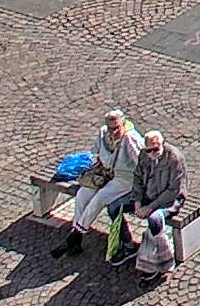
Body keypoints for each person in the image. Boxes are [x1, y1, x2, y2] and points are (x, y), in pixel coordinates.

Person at [52, 109, 143, 259]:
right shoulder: (103, 133)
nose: (113, 132)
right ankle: (76, 238)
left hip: (124, 178)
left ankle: (75, 236)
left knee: (99, 199)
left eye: (116, 128)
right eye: (110, 128)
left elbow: (141, 165)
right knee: (82, 195)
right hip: (104, 173)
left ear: (123, 123)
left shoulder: (131, 139)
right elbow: (96, 153)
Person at [118, 130, 185, 271]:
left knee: (154, 219)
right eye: (149, 150)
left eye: (156, 148)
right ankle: (128, 245)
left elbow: (173, 190)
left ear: (162, 144)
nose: (153, 153)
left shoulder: (174, 158)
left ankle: (161, 260)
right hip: (148, 195)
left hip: (169, 200)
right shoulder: (144, 155)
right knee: (114, 208)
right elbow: (137, 178)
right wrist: (137, 202)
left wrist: (150, 207)